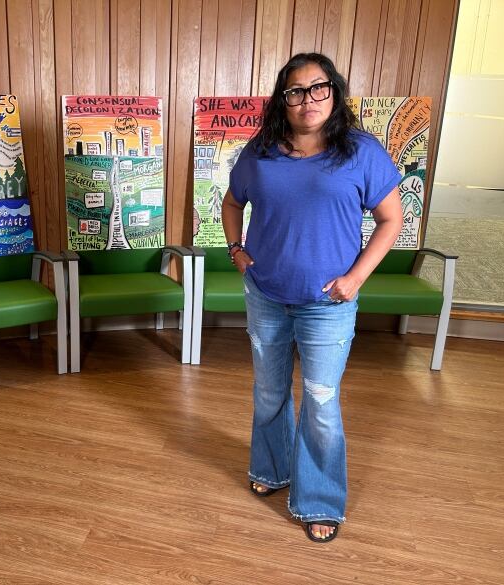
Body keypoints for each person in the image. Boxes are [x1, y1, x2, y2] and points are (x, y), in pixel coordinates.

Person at [221, 53, 403, 543]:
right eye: (296, 91)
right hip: (266, 293)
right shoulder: (260, 152)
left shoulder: (360, 151)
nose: (308, 100)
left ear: (335, 92)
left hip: (328, 304)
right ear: (284, 100)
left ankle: (319, 499)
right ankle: (273, 468)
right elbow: (232, 201)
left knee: (320, 400)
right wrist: (236, 249)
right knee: (269, 392)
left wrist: (356, 278)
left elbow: (392, 220)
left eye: (318, 88)